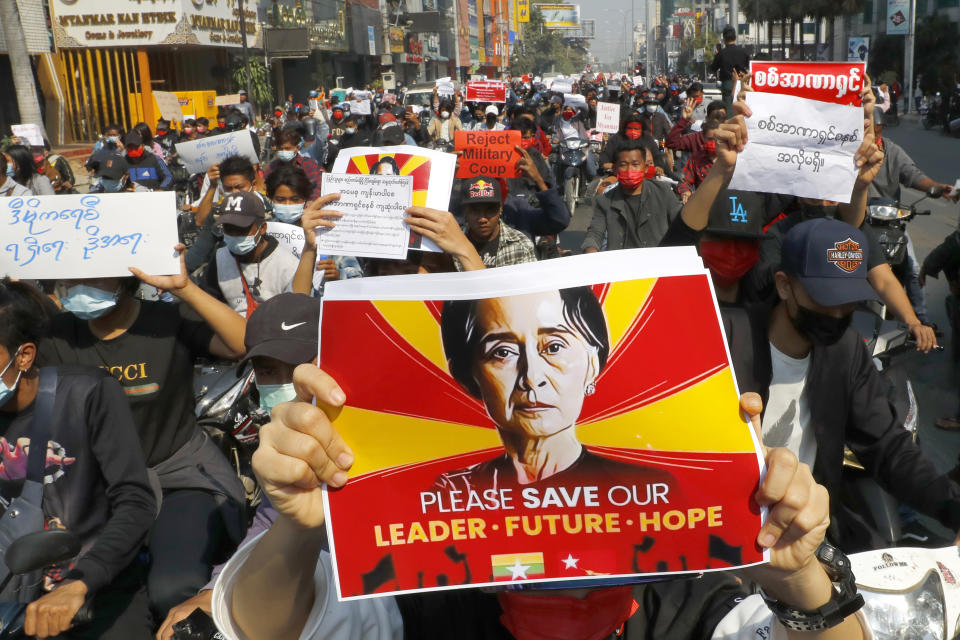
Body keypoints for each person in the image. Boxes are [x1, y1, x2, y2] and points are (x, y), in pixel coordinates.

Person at [212, 368, 869, 639]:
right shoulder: (422, 599)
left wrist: (802, 578)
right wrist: (300, 531)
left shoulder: (697, 607)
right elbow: (261, 626)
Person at [723, 218, 960, 552]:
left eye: (848, 301)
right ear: (784, 285)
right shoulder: (726, 342)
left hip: (811, 530)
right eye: (824, 298)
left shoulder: (845, 350)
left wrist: (952, 507)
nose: (836, 314)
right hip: (727, 531)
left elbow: (888, 446)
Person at [40, 254, 249, 621]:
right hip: (96, 486)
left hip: (175, 476)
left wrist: (185, 289)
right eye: (69, 281)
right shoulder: (55, 335)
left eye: (94, 279)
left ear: (127, 277)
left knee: (172, 588)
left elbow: (242, 344)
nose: (78, 289)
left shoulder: (167, 321)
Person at [155, 293, 319, 640]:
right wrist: (214, 590)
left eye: (301, 365)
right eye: (268, 370)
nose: (290, 382)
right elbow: (267, 521)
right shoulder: (275, 443)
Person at [0, 280, 156, 640]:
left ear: (23, 355)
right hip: (13, 593)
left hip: (97, 589)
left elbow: (135, 500)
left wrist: (83, 581)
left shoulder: (88, 393)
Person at [437, 286, 674, 489]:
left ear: (592, 364)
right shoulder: (454, 493)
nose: (531, 377)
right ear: (467, 376)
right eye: (503, 352)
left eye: (553, 347)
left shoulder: (642, 488)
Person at [199, 191, 305, 316]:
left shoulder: (289, 265)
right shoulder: (220, 257)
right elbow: (208, 302)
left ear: (263, 228)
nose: (234, 235)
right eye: (229, 229)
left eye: (242, 230)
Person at [265, 165, 362, 291]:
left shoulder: (326, 230)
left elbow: (358, 279)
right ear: (271, 199)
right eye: (280, 200)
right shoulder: (264, 231)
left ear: (305, 200)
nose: (288, 205)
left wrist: (338, 275)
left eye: (295, 200)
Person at [455, 176, 536, 270]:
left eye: (490, 210)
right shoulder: (451, 246)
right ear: (465, 210)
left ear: (501, 208)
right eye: (475, 211)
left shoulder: (521, 244)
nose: (482, 219)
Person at [265, 128, 323, 201]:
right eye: (280, 149)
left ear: (297, 148)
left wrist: (311, 202)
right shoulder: (273, 166)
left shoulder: (308, 164)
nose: (283, 151)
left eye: (287, 148)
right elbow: (265, 186)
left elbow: (317, 187)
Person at [677, 120, 721, 203]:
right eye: (710, 139)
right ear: (704, 138)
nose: (713, 143)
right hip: (703, 204)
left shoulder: (731, 158)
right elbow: (684, 181)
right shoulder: (696, 158)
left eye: (716, 139)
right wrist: (685, 192)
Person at [711, 26, 750, 112]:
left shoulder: (721, 53)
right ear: (735, 37)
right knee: (742, 106)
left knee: (729, 109)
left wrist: (716, 56)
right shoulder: (744, 52)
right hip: (741, 83)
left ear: (724, 38)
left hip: (727, 83)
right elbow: (748, 67)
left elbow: (713, 68)